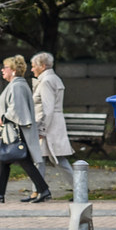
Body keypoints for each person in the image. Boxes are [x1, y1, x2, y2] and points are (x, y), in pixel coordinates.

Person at [0, 54, 52, 204]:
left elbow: (17, 110)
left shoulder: (17, 86)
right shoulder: (15, 85)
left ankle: (43, 189)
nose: (2, 70)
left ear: (13, 70)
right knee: (4, 159)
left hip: (17, 131)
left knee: (24, 160)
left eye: (5, 68)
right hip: (12, 131)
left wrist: (1, 120)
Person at [25, 52, 74, 200]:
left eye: (34, 66)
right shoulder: (52, 79)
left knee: (55, 159)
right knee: (45, 159)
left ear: (43, 66)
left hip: (49, 125)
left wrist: (42, 129)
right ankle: (39, 190)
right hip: (53, 124)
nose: (32, 69)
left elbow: (48, 108)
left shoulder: (46, 82)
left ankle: (40, 191)